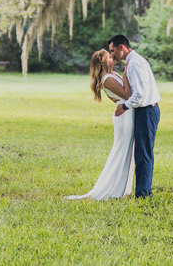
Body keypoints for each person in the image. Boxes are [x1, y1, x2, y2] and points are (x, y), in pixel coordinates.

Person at [65, 49, 134, 200]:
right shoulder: (107, 79)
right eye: (110, 56)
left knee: (128, 152)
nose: (113, 56)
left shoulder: (113, 74)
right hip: (124, 117)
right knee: (121, 151)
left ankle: (122, 187)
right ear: (103, 62)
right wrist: (126, 77)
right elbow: (127, 95)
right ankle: (112, 188)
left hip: (128, 114)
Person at [107, 34, 160, 198]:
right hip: (145, 110)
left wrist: (125, 105)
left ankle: (143, 194)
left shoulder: (135, 63)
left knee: (143, 154)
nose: (112, 55)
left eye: (113, 50)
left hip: (147, 110)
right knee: (142, 153)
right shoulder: (134, 61)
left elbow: (140, 94)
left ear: (121, 47)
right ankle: (143, 191)